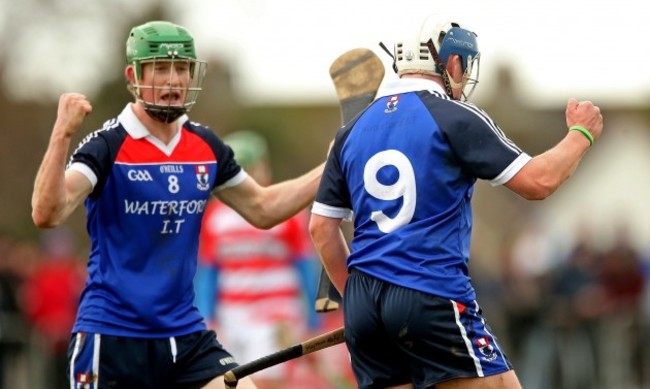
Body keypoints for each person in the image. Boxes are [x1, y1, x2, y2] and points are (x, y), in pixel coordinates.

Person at [309, 13, 603, 389]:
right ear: (451, 62)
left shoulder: (351, 132)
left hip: (366, 305)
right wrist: (581, 134)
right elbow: (538, 181)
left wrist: (354, 298)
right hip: (430, 293)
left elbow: (321, 229)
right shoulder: (454, 116)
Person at [31, 20, 324, 389]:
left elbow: (263, 208)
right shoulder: (106, 146)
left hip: (184, 336)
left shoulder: (205, 145)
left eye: (182, 68)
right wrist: (62, 134)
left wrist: (331, 168)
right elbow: (47, 212)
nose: (173, 80)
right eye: (160, 68)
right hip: (113, 336)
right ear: (134, 75)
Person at [194, 130, 323, 389]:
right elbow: (208, 273)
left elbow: (307, 267)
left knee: (264, 384)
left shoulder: (286, 211)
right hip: (231, 319)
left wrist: (311, 319)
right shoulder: (214, 217)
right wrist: (205, 316)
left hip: (275, 317)